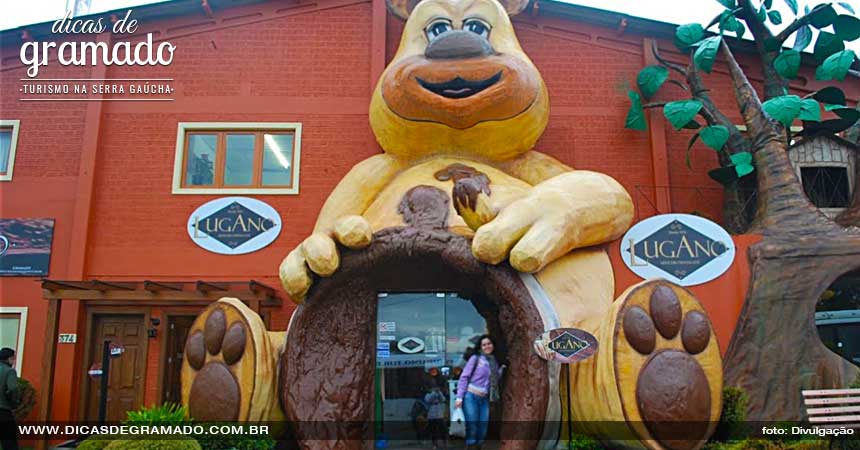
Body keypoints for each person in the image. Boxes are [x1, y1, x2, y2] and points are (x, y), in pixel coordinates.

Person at [455, 336, 505, 450]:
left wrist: (502, 369)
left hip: (484, 398)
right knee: (472, 425)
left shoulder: (494, 361)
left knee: (483, 427)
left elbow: (495, 378)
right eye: (484, 344)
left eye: (489, 344)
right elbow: (464, 377)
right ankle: (471, 446)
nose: (487, 346)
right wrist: (459, 397)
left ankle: (478, 446)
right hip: (470, 396)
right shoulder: (475, 358)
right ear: (480, 347)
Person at [0, 348, 20, 450]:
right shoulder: (9, 371)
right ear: (9, 358)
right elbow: (13, 389)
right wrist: (14, 403)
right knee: (9, 443)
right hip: (4, 412)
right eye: (13, 359)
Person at [424, 381, 447, 450]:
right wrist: (434, 393)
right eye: (433, 388)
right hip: (432, 415)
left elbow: (443, 399)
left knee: (443, 430)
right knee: (433, 431)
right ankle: (435, 445)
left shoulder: (439, 393)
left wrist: (439, 393)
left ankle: (444, 444)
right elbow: (428, 400)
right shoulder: (428, 394)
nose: (435, 389)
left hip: (440, 415)